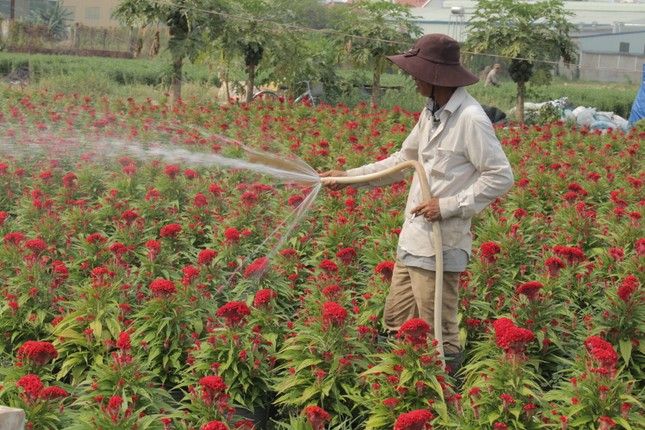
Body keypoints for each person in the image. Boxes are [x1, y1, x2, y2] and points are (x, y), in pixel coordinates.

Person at [320, 34, 514, 376]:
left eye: (417, 71)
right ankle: (400, 392)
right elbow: (403, 160)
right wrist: (348, 176)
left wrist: (449, 205)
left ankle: (444, 402)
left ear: (436, 75)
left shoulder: (470, 118)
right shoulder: (431, 112)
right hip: (413, 242)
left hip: (442, 245)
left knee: (439, 332)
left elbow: (500, 176)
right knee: (396, 323)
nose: (413, 77)